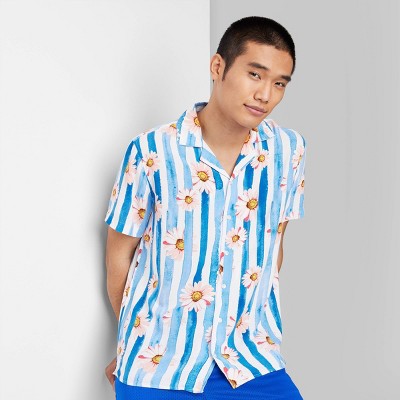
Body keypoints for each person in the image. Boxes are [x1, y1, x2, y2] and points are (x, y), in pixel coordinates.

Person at [104, 16, 306, 400]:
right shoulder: (151, 151)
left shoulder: (288, 151)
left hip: (249, 361)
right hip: (159, 368)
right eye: (254, 74)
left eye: (279, 83)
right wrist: (133, 343)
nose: (265, 94)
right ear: (218, 67)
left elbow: (273, 247)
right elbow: (118, 257)